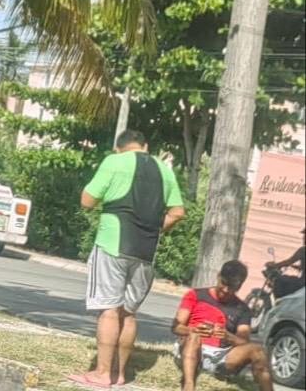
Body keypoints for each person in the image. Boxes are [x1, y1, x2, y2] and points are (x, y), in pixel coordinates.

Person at [68, 129, 186, 388]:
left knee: (109, 310)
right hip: (146, 252)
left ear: (119, 148)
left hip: (113, 244)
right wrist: (155, 229)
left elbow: (87, 200)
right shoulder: (165, 169)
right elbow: (177, 212)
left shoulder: (114, 161)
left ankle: (102, 374)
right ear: (145, 146)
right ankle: (120, 374)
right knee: (129, 313)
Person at [172, 260, 274, 391]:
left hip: (221, 357)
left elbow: (244, 341)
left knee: (257, 350)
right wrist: (194, 330)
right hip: (191, 348)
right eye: (224, 283)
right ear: (219, 276)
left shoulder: (242, 309)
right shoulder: (196, 295)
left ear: (240, 286)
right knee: (193, 337)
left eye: (232, 288)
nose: (226, 290)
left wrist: (228, 337)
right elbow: (176, 327)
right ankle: (188, 385)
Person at [266, 228, 305, 299]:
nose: (303, 238)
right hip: (302, 283)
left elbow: (288, 262)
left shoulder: (303, 250)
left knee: (278, 280)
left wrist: (275, 265)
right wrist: (297, 267)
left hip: (302, 283)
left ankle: (279, 304)